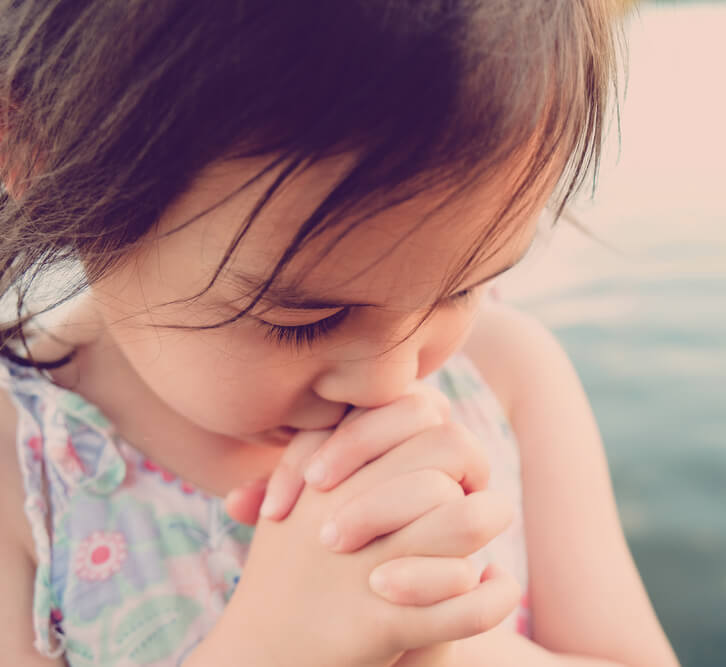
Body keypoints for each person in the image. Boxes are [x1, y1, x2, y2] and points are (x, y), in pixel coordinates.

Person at [0, 1, 678, 665]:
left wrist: (444, 643)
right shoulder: (23, 473)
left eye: (461, 286)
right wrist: (271, 648)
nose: (393, 381)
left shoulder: (510, 379)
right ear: (38, 154)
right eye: (306, 320)